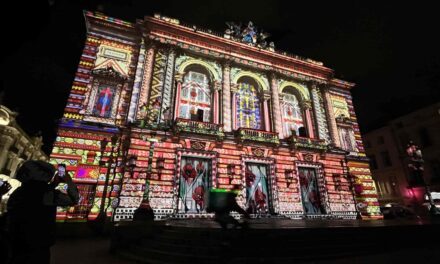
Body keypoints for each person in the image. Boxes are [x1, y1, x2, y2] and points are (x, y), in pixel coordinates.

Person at [6, 160, 79, 264]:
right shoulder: (47, 194)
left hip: (17, 240)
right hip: (37, 244)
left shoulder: (20, 191)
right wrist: (68, 180)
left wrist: (53, 184)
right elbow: (74, 199)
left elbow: (36, 193)